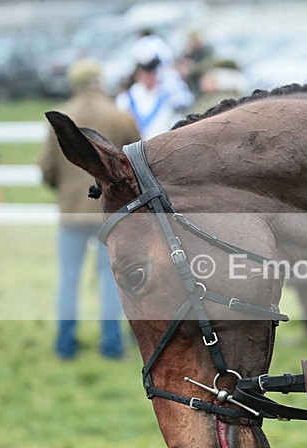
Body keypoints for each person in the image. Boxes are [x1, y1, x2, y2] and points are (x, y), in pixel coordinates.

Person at [39, 58, 141, 360]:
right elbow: (137, 163)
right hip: (109, 213)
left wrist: (66, 192)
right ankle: (111, 346)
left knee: (68, 278)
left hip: (71, 212)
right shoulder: (121, 117)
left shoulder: (61, 117)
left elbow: (46, 168)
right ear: (100, 81)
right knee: (110, 279)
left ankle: (64, 345)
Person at [116, 33, 195, 139]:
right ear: (137, 73)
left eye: (154, 71)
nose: (151, 75)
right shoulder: (127, 98)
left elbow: (187, 103)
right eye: (146, 71)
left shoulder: (168, 90)